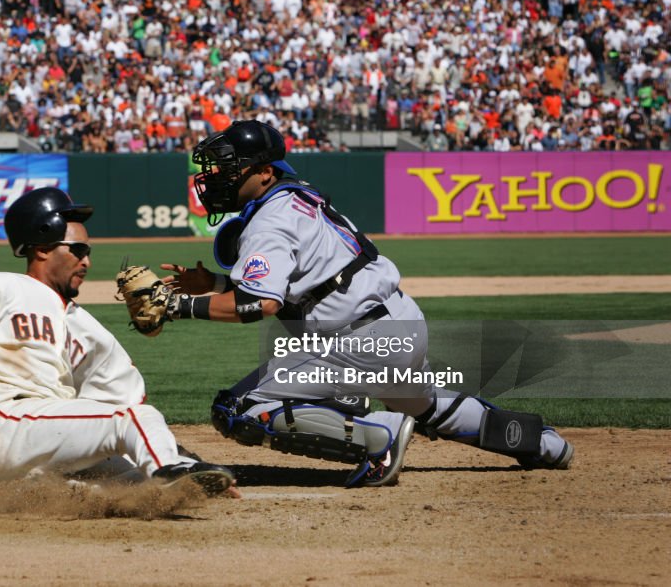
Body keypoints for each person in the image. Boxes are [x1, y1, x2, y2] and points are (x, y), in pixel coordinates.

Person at [159, 120, 574, 487]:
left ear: (264, 172)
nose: (216, 177)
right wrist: (213, 283)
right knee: (426, 404)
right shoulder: (295, 196)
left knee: (237, 408)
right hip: (397, 322)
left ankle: (379, 434)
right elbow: (300, 282)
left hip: (359, 340)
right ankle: (542, 443)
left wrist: (177, 306)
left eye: (229, 168)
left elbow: (261, 305)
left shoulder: (269, 219)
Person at [0, 187, 235, 496]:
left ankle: (55, 493)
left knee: (140, 486)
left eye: (89, 252)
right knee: (140, 424)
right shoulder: (2, 286)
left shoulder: (87, 327)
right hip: (9, 425)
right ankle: (165, 471)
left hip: (50, 437)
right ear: (42, 246)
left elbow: (126, 406)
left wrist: (192, 465)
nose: (87, 261)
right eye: (78, 250)